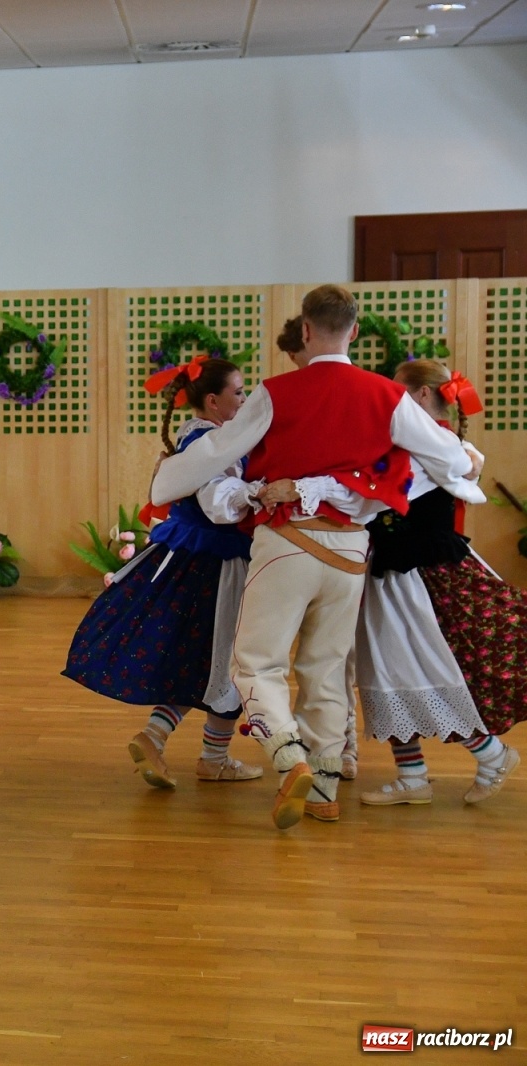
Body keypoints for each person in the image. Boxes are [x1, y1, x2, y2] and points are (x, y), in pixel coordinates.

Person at [151, 287, 484, 830]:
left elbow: (217, 449)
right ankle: (324, 790)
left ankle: (291, 758)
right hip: (352, 551)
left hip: (287, 541)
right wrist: (465, 466)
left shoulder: (276, 392)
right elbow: (449, 455)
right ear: (353, 331)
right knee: (326, 671)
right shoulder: (388, 396)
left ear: (305, 330)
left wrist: (168, 482)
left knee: (257, 664)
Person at [64, 357, 264, 788]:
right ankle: (213, 757)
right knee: (227, 658)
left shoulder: (199, 436)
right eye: (239, 392)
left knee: (201, 658)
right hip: (218, 563)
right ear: (213, 401)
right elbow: (220, 506)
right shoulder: (209, 445)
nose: (245, 399)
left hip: (192, 559)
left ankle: (156, 736)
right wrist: (263, 493)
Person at [351, 359, 519, 805]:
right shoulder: (442, 443)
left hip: (416, 572)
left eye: (397, 395)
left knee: (412, 665)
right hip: (404, 568)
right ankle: (414, 775)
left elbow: (380, 496)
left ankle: (487, 753)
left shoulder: (432, 445)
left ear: (421, 395)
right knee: (389, 666)